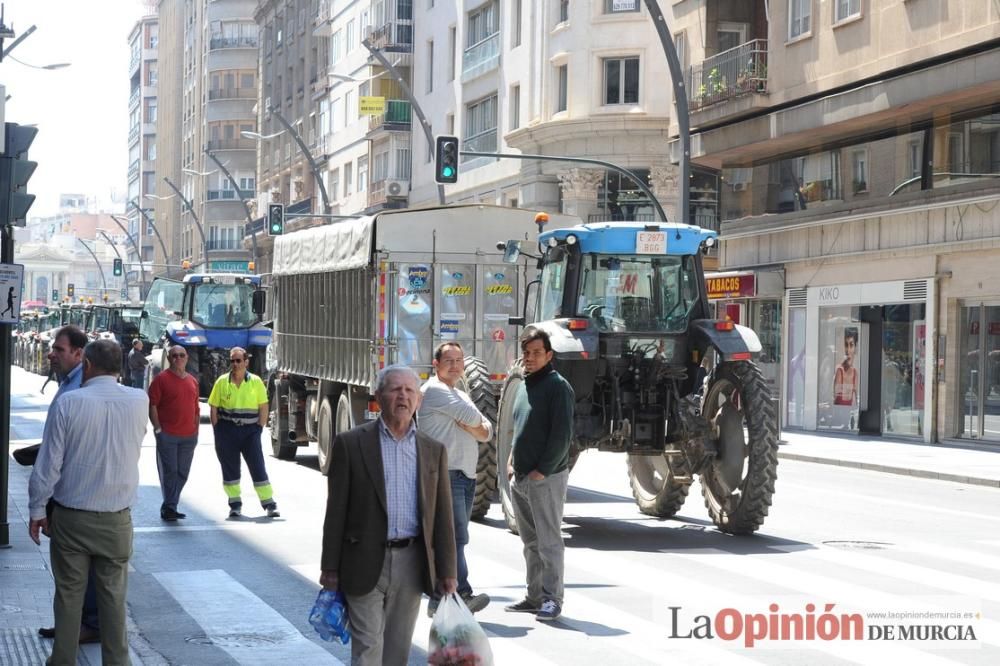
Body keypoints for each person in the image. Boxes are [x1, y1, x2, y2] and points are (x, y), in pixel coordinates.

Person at [320, 365, 457, 666]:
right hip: (363, 559)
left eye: (410, 391)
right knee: (368, 647)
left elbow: (442, 517)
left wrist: (448, 571)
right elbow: (336, 511)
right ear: (379, 396)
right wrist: (330, 567)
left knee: (397, 652)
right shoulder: (351, 444)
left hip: (412, 562)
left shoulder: (433, 450)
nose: (403, 397)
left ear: (419, 400)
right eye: (395, 389)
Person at [27, 340, 148, 666]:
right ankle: (117, 662)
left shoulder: (70, 402)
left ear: (89, 366)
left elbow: (48, 464)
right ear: (120, 368)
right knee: (113, 600)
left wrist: (37, 509)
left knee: (68, 597)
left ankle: (63, 661)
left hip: (72, 518)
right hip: (116, 520)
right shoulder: (139, 401)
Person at [31, 326, 102, 645]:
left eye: (59, 349)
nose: (51, 353)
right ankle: (77, 625)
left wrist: (40, 503)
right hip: (68, 492)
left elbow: (64, 450)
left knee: (76, 572)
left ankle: (87, 626)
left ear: (79, 354)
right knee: (72, 572)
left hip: (74, 494)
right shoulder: (69, 383)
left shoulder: (78, 389)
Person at [505, 327, 575, 622]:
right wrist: (511, 460)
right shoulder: (524, 384)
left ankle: (552, 599)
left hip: (544, 478)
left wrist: (541, 471)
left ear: (549, 355)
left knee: (548, 541)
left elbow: (562, 436)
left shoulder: (558, 387)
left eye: (536, 353)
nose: (530, 358)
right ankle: (534, 596)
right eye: (526, 353)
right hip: (520, 476)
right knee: (530, 542)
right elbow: (519, 427)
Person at [418, 342, 493, 616]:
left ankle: (439, 598)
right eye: (448, 360)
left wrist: (477, 427)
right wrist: (476, 426)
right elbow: (475, 419)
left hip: (464, 473)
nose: (455, 365)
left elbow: (488, 431)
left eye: (459, 360)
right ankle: (460, 591)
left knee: (453, 537)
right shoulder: (435, 391)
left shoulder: (460, 393)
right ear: (435, 364)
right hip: (446, 473)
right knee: (455, 538)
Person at [208, 346, 279, 518]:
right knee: (230, 469)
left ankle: (269, 503)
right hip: (227, 431)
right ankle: (235, 504)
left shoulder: (255, 382)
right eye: (232, 360)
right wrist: (218, 430)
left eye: (238, 360)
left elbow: (263, 406)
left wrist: (259, 428)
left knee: (257, 466)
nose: (235, 364)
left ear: (246, 362)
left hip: (250, 432)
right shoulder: (221, 382)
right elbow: (214, 408)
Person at [148, 345, 200, 521]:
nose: (178, 358)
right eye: (174, 356)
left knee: (182, 472)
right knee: (170, 471)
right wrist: (157, 428)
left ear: (187, 358)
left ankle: (170, 504)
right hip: (167, 434)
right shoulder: (161, 379)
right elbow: (152, 404)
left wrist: (196, 430)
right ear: (169, 359)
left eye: (181, 355)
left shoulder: (192, 381)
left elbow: (196, 409)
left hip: (188, 436)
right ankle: (170, 507)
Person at [834, 327, 859, 407]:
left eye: (851, 345)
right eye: (846, 345)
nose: (848, 351)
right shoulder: (839, 371)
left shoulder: (855, 373)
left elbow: (857, 403)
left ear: (856, 348)